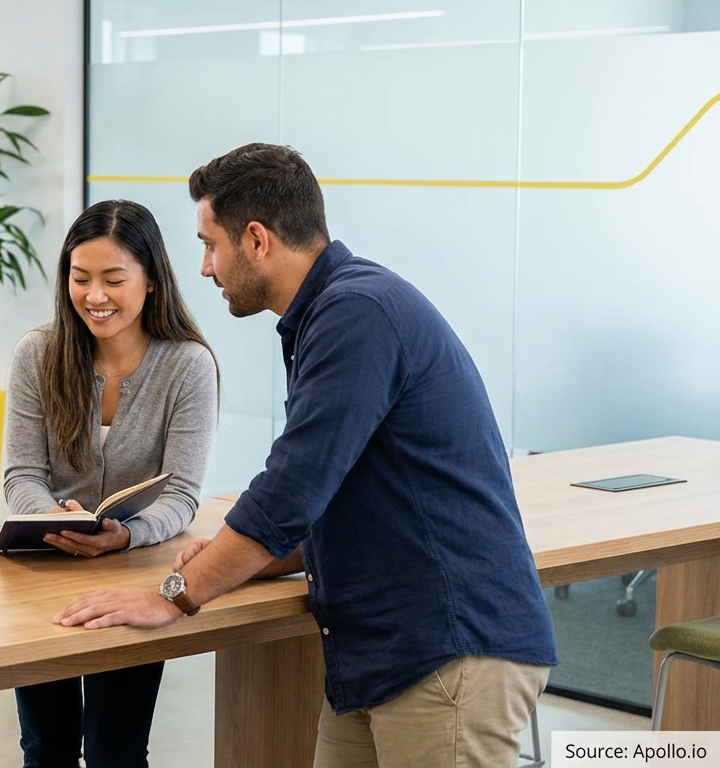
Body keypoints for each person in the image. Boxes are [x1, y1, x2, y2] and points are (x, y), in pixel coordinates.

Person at [53, 145, 557, 767]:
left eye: (211, 244)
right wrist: (247, 561)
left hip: (445, 648)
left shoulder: (356, 314)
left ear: (257, 240)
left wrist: (175, 593)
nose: (206, 268)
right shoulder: (330, 314)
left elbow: (291, 488)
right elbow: (330, 496)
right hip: (380, 653)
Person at [4, 199, 218, 767]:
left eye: (113, 280)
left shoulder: (188, 365)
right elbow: (22, 474)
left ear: (150, 282)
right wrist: (52, 516)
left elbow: (182, 495)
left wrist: (128, 534)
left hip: (135, 573)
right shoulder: (38, 355)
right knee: (44, 747)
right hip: (44, 565)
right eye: (81, 279)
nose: (94, 296)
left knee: (116, 750)